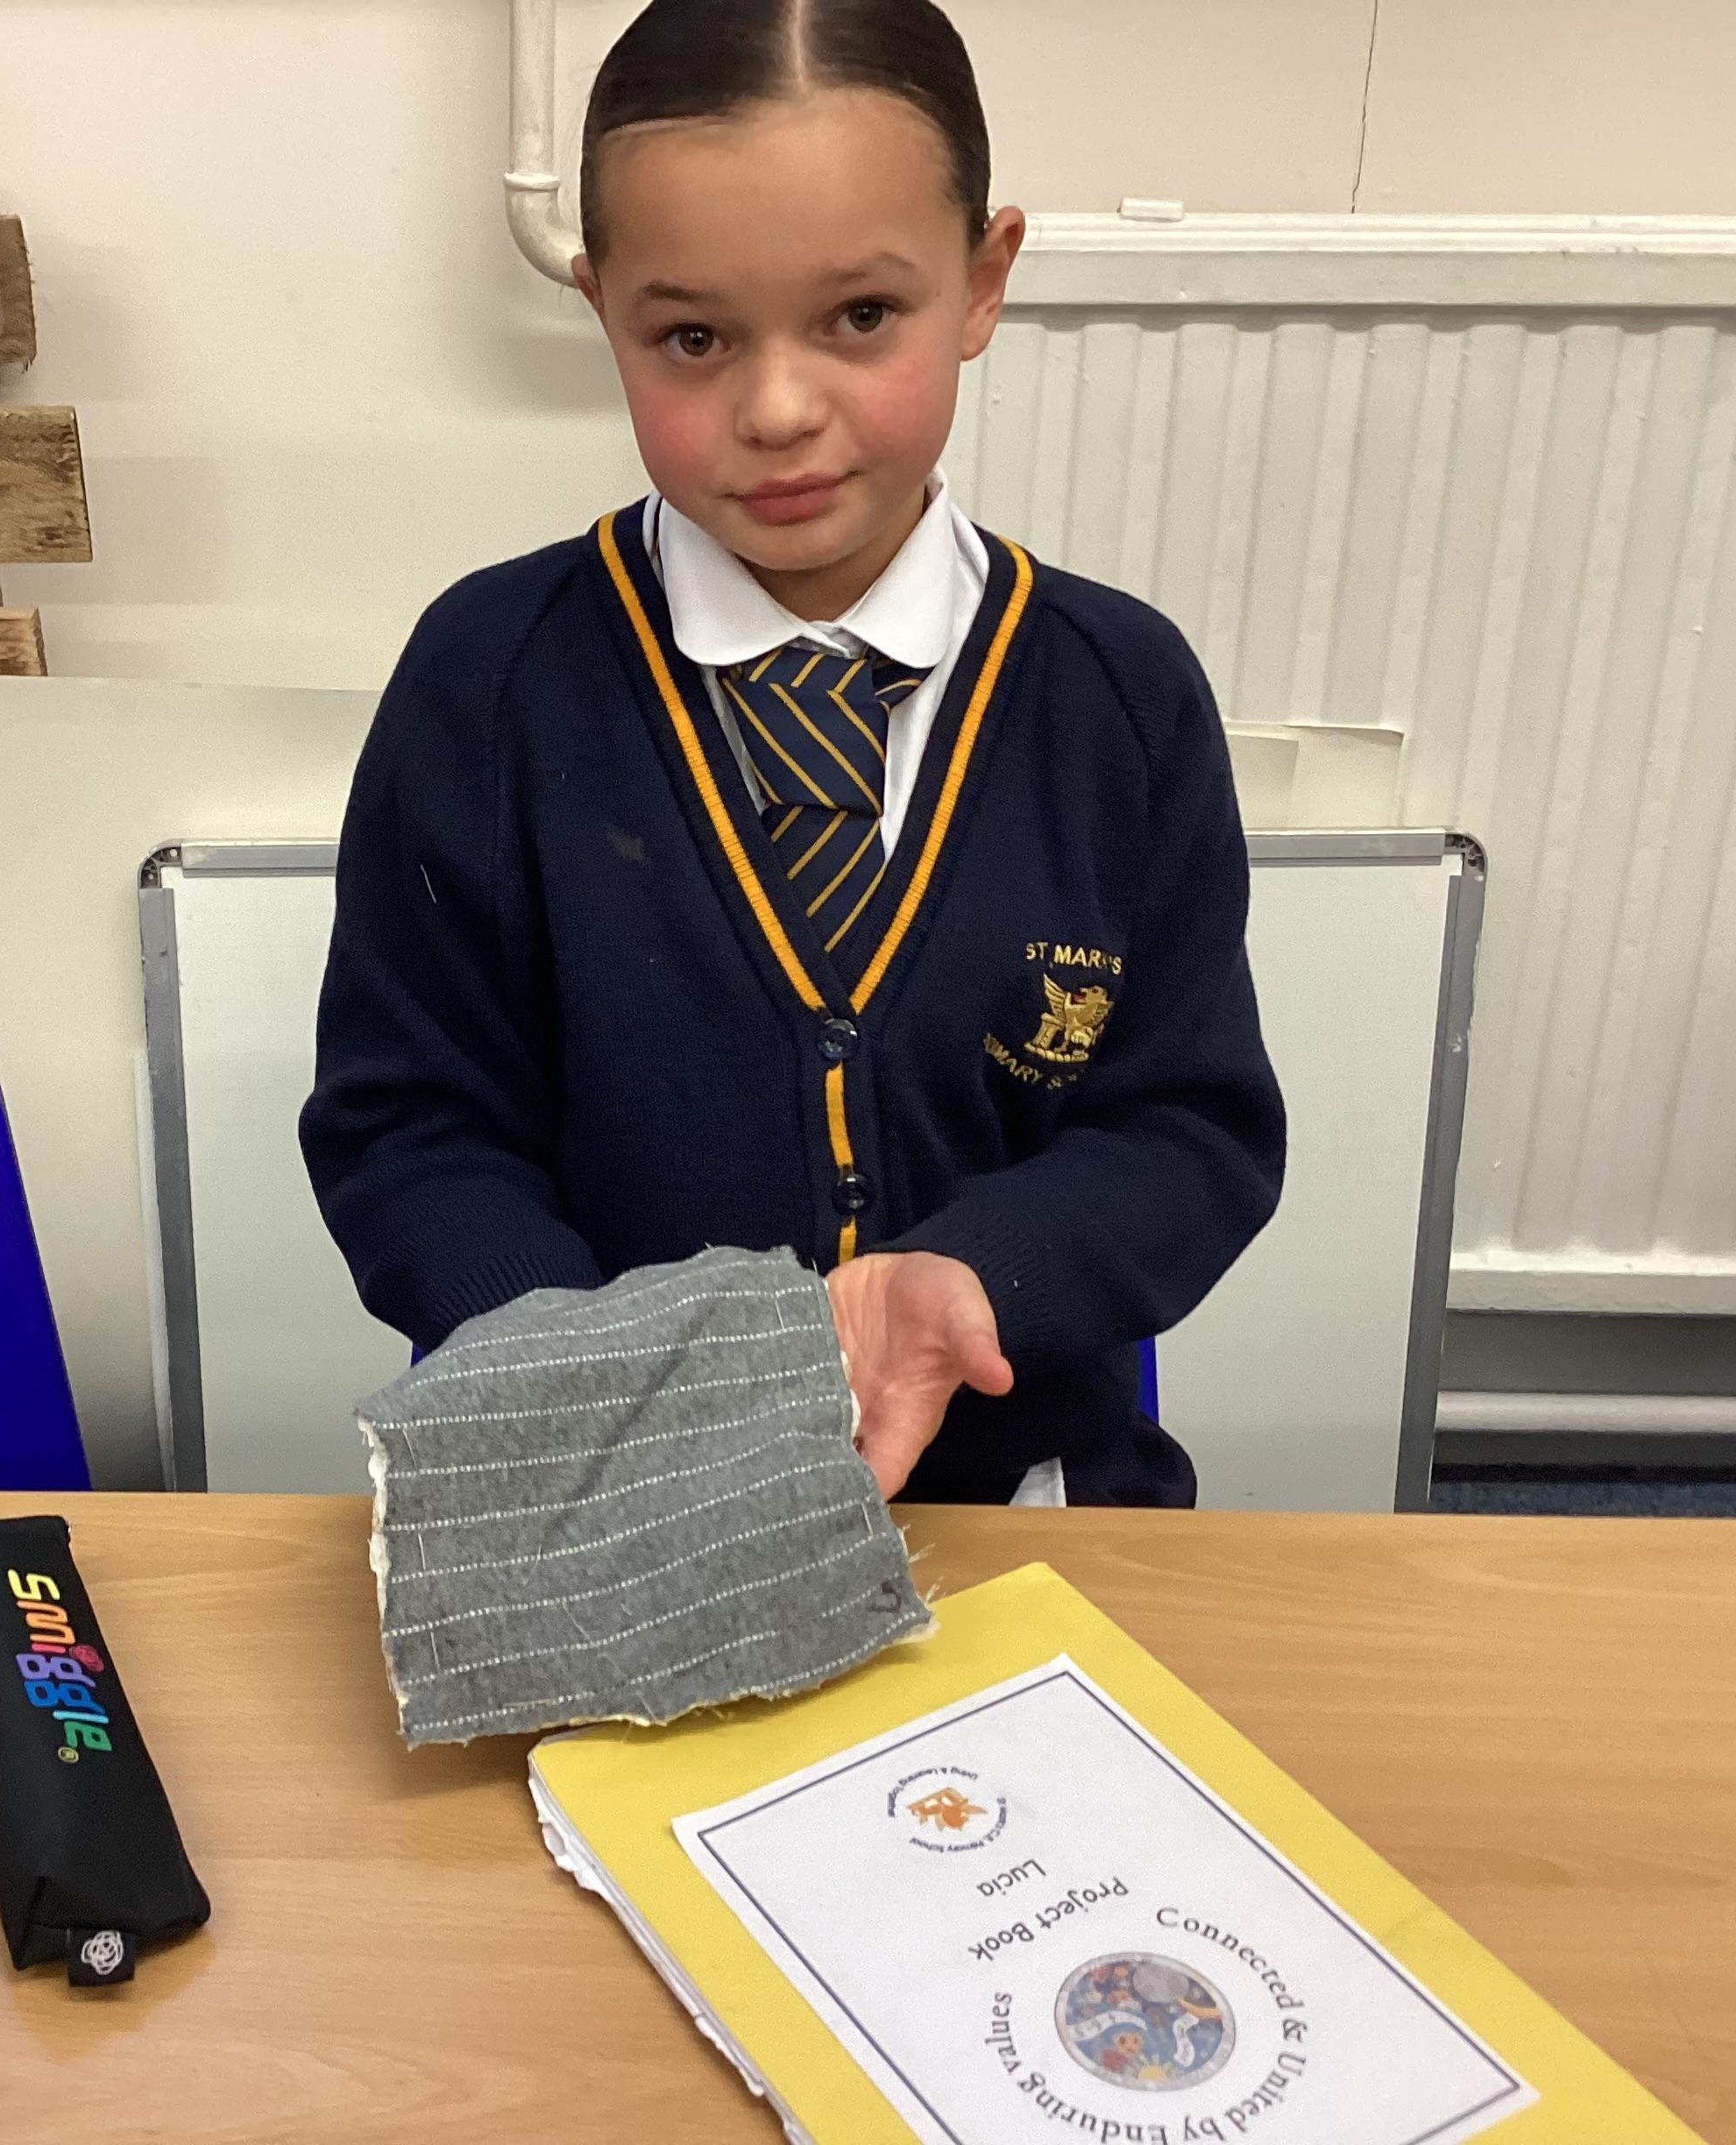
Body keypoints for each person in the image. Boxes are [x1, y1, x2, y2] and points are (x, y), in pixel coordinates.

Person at [301, 0, 1284, 1506]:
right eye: (692, 338)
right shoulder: (486, 680)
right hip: (616, 1508)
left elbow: (1190, 1128)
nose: (776, 410)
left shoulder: (1120, 696)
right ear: (602, 307)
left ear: (983, 281)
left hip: (1031, 1510)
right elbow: (409, 1124)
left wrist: (979, 1273)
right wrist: (606, 1373)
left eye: (862, 317)